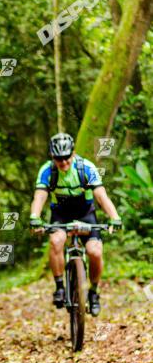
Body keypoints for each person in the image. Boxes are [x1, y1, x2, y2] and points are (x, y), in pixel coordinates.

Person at [30, 133, 122, 315]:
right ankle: (59, 287)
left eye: (66, 158)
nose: (63, 162)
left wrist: (114, 217)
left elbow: (101, 196)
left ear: (73, 154)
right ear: (52, 157)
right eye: (58, 159)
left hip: (85, 213)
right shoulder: (47, 171)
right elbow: (40, 196)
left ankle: (94, 292)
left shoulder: (86, 168)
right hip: (61, 214)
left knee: (95, 251)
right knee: (56, 241)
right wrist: (35, 216)